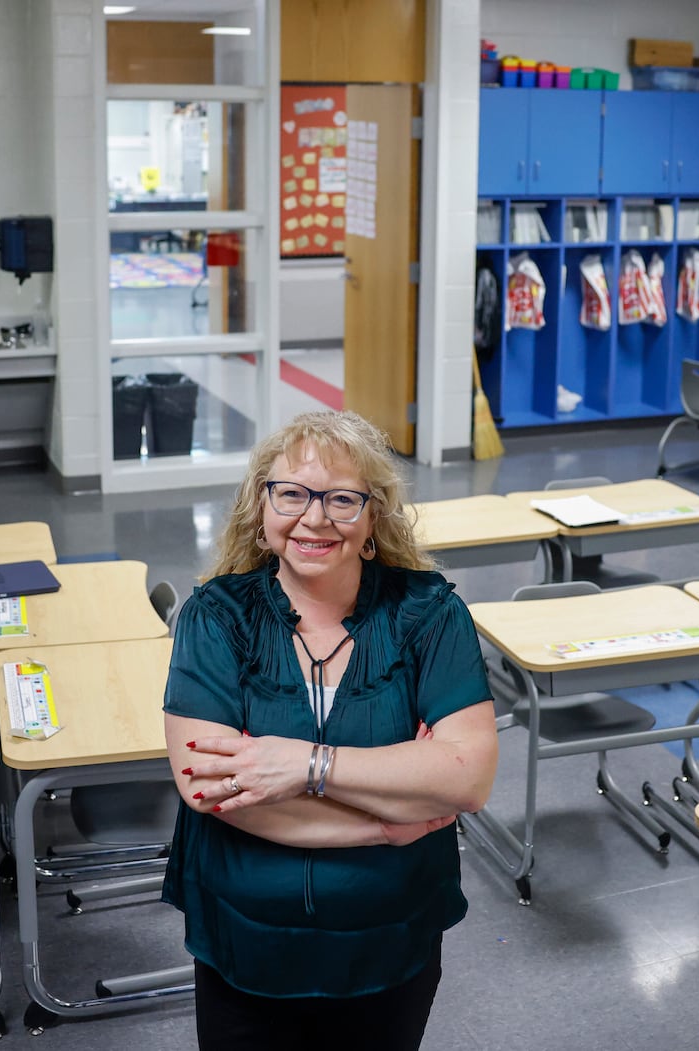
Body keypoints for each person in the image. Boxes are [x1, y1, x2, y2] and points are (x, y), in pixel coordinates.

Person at [162, 410, 499, 1050]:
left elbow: (467, 778)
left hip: (389, 937)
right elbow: (209, 789)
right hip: (247, 940)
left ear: (373, 519)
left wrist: (303, 766)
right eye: (291, 494)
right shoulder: (216, 616)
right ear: (261, 509)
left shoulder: (429, 614)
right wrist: (384, 821)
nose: (313, 518)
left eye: (342, 499)